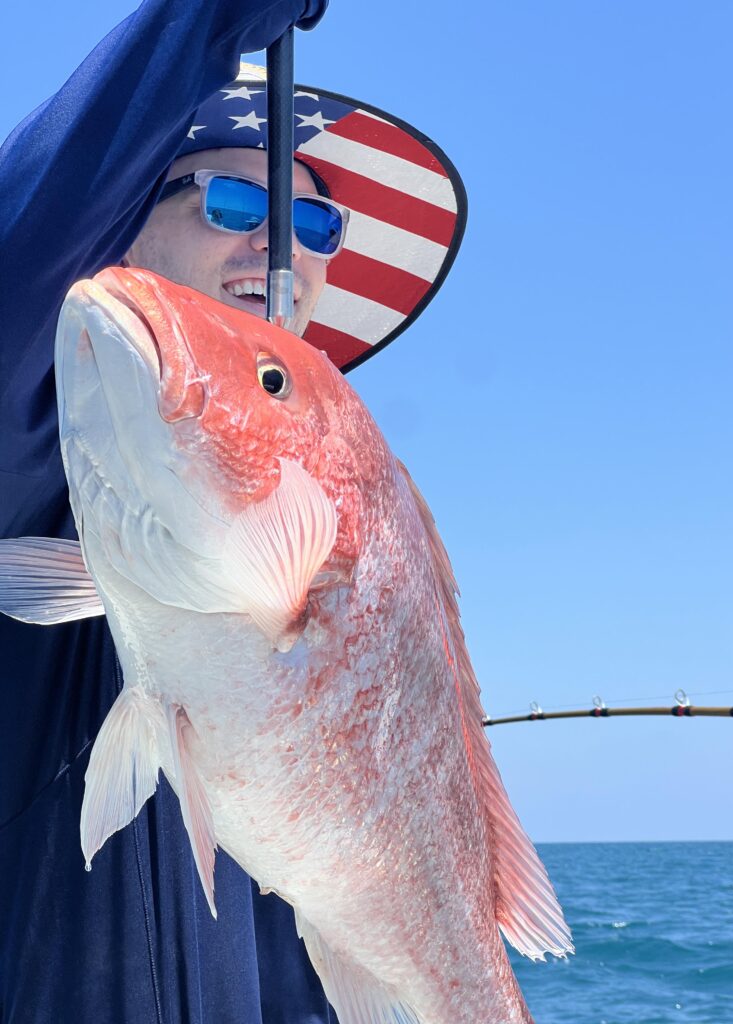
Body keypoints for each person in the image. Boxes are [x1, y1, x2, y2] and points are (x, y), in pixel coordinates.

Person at [0, 2, 465, 1021]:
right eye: (229, 202)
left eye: (312, 225)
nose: (277, 245)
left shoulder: (346, 512)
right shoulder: (42, 472)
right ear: (116, 218)